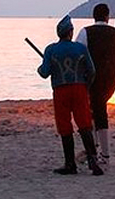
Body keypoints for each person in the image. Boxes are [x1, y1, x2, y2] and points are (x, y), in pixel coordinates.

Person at [38, 15, 103, 176]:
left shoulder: (50, 50)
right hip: (79, 89)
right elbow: (92, 71)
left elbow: (44, 73)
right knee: (84, 124)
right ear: (71, 32)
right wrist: (86, 86)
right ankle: (93, 162)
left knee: (65, 126)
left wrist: (40, 68)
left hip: (60, 91)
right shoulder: (80, 49)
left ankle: (70, 164)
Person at [75, 3, 115, 164]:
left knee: (96, 112)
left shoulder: (85, 32)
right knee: (98, 110)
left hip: (91, 79)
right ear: (107, 16)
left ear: (94, 17)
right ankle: (94, 149)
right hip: (110, 81)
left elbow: (79, 55)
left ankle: (103, 154)